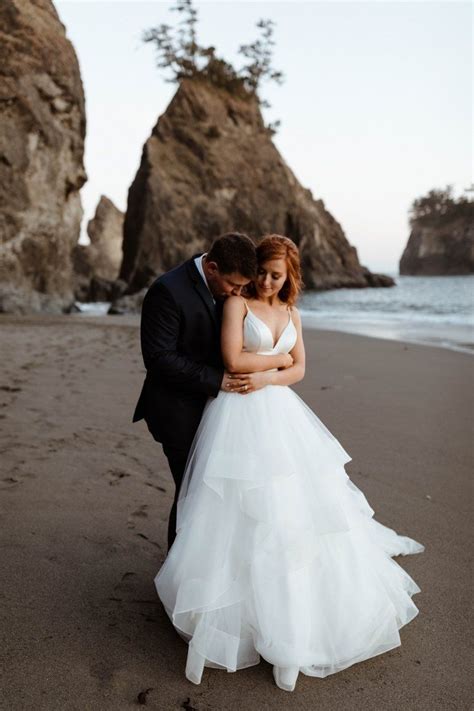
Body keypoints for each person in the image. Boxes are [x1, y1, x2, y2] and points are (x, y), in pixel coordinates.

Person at [154, 234, 425, 692]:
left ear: (289, 278)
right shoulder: (237, 306)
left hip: (280, 412)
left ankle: (294, 626)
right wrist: (273, 366)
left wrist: (273, 370)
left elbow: (300, 369)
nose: (264, 280)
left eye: (275, 275)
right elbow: (232, 358)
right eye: (260, 271)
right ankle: (225, 612)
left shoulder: (293, 312)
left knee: (293, 511)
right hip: (238, 411)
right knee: (239, 507)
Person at [133, 232, 293, 551]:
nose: (237, 293)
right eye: (234, 286)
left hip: (223, 410)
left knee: (224, 494)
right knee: (192, 493)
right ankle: (178, 575)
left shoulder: (231, 282)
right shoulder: (167, 291)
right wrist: (217, 379)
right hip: (176, 410)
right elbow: (159, 359)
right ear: (213, 268)